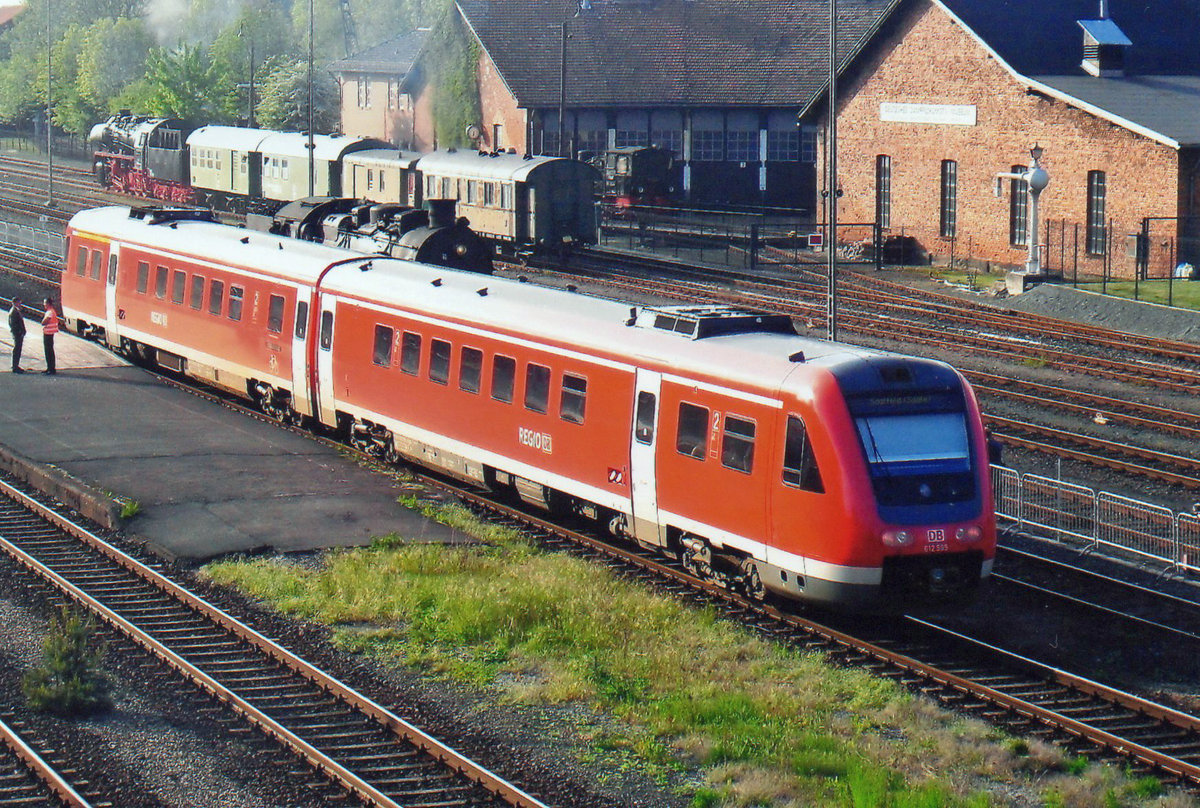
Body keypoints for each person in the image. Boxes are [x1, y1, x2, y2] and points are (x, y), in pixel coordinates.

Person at [8, 297, 25, 373]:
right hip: (17, 334)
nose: (20, 304)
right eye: (19, 302)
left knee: (18, 349)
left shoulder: (15, 311)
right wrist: (19, 332)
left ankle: (15, 365)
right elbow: (13, 324)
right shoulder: (13, 312)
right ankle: (15, 366)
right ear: (15, 303)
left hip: (18, 333)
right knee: (17, 349)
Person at [41, 297, 57, 375]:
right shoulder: (52, 311)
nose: (44, 304)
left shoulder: (49, 312)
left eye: (45, 303)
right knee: (50, 351)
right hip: (50, 333)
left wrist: (43, 322)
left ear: (48, 304)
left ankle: (50, 369)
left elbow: (43, 322)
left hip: (48, 333)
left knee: (48, 351)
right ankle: (50, 368)